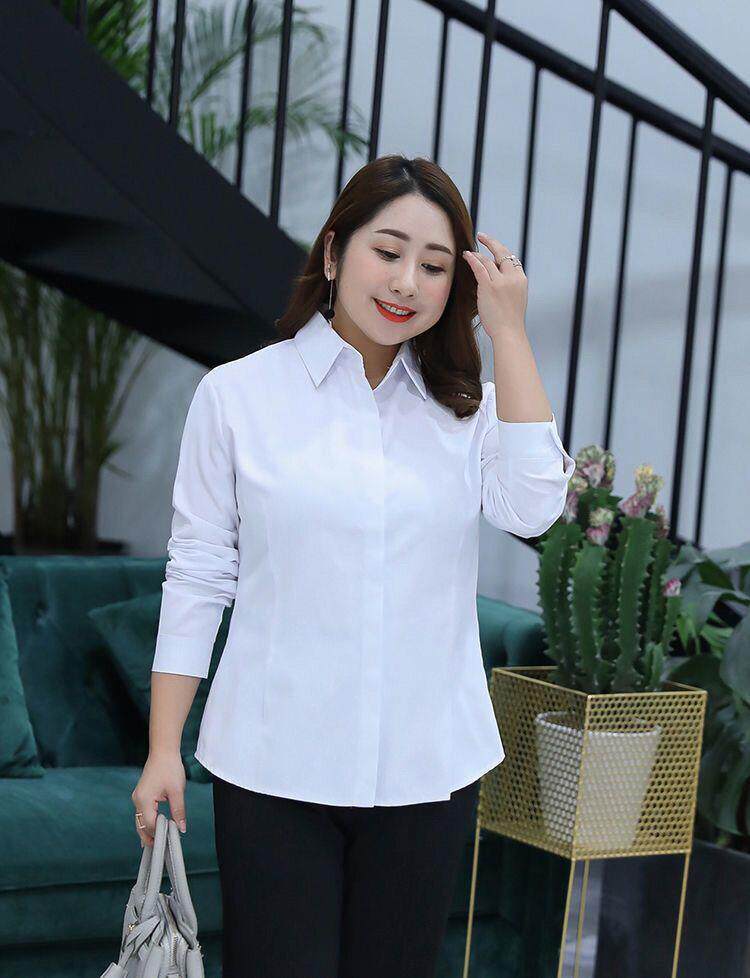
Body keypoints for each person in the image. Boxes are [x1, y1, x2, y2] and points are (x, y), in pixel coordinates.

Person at [130, 154, 575, 978]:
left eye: (435, 266)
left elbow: (536, 507)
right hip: (273, 768)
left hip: (426, 773)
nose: (407, 282)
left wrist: (509, 333)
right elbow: (197, 576)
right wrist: (164, 749)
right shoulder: (237, 397)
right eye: (388, 251)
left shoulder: (465, 410)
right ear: (334, 253)